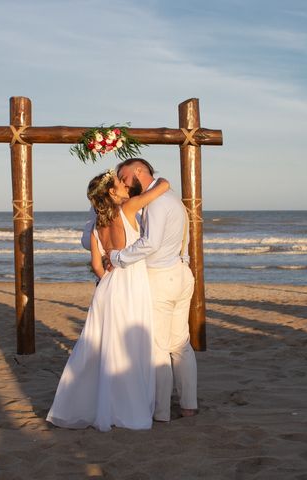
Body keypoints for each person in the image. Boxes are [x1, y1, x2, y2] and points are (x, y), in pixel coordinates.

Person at [46, 169, 170, 432]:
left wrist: (107, 279)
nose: (125, 185)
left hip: (107, 289)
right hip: (132, 287)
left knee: (102, 348)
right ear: (111, 193)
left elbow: (95, 264)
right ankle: (128, 409)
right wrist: (141, 173)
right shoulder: (128, 209)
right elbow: (163, 186)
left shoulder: (94, 227)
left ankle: (95, 406)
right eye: (119, 182)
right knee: (130, 348)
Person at [109, 158, 198, 422]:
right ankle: (189, 405)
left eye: (123, 176)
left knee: (159, 346)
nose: (123, 182)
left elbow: (150, 243)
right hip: (182, 272)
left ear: (138, 172)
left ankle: (160, 412)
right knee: (180, 343)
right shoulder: (170, 197)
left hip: (162, 277)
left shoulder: (157, 202)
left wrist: (118, 258)